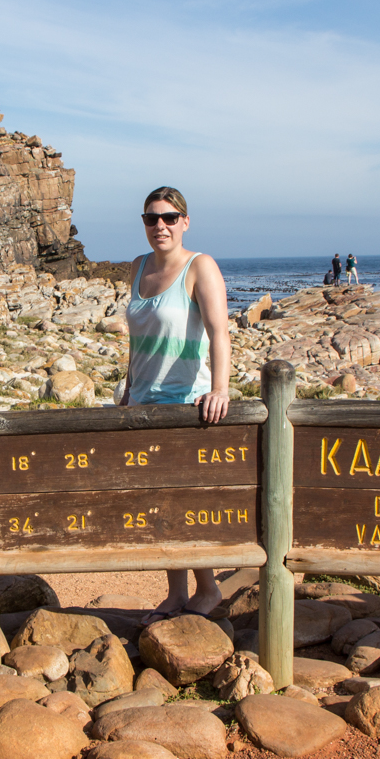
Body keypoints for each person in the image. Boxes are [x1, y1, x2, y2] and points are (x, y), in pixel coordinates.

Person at [121, 185, 231, 619]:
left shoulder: (200, 266)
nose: (160, 226)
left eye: (169, 217)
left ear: (185, 221)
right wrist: (128, 390)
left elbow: (220, 332)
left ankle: (207, 589)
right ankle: (174, 593)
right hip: (143, 402)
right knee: (157, 503)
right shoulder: (137, 267)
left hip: (186, 403)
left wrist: (219, 390)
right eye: (152, 218)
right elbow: (136, 340)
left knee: (185, 503)